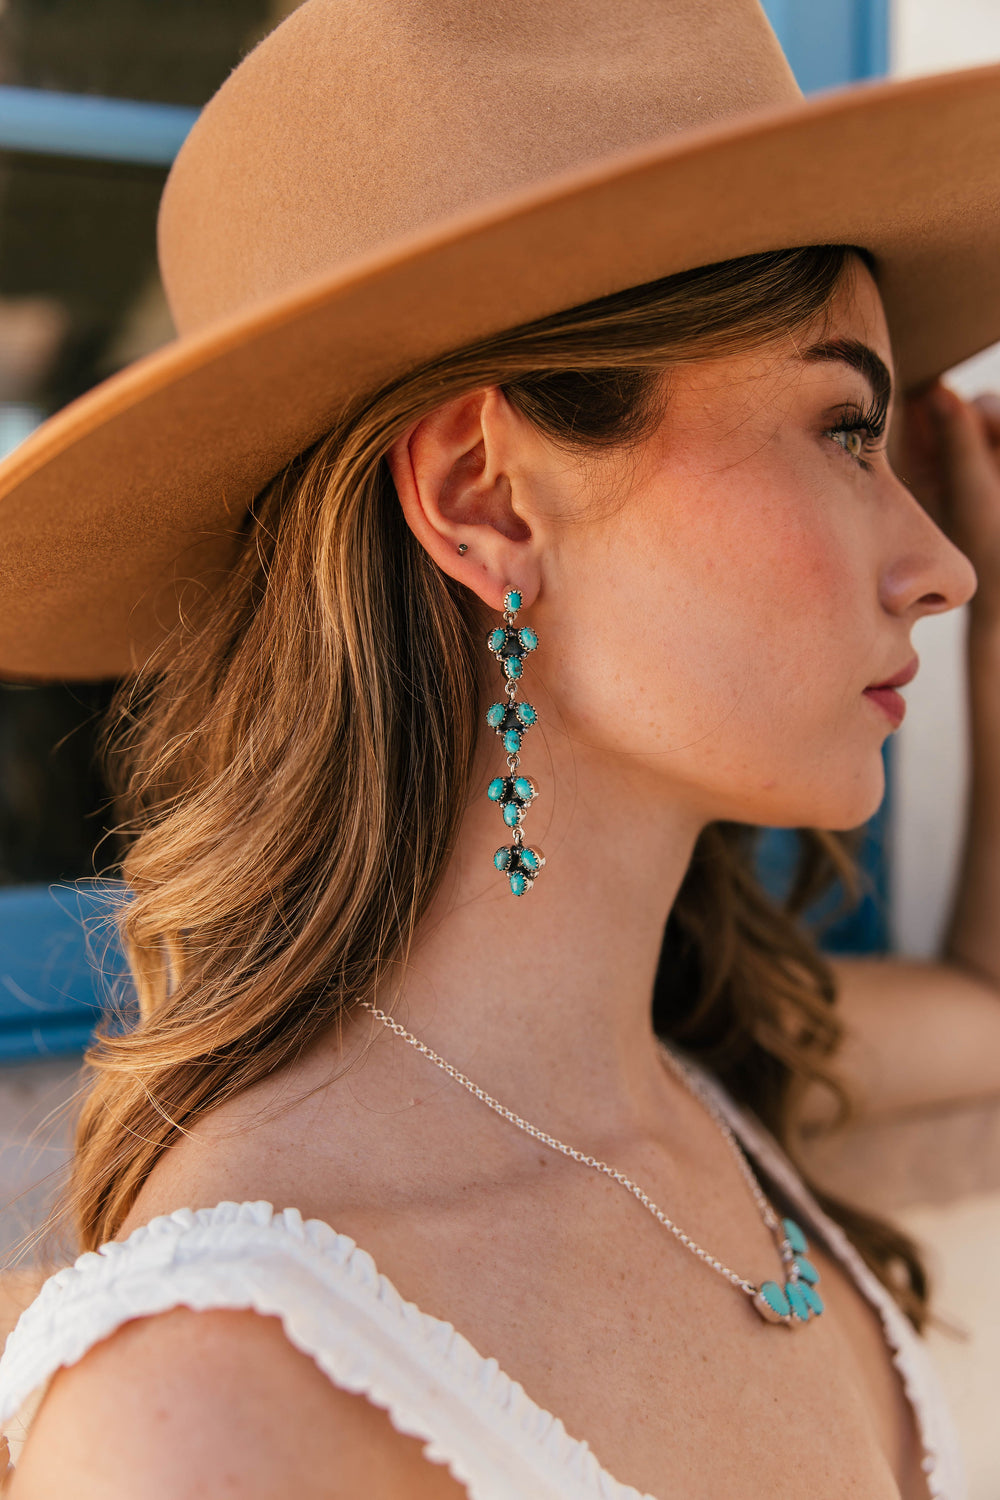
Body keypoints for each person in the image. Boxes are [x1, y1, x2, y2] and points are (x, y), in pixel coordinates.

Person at [1, 2, 1000, 1495]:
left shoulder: (692, 1083)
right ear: (486, 499)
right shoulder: (205, 1407)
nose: (944, 568)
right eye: (848, 430)